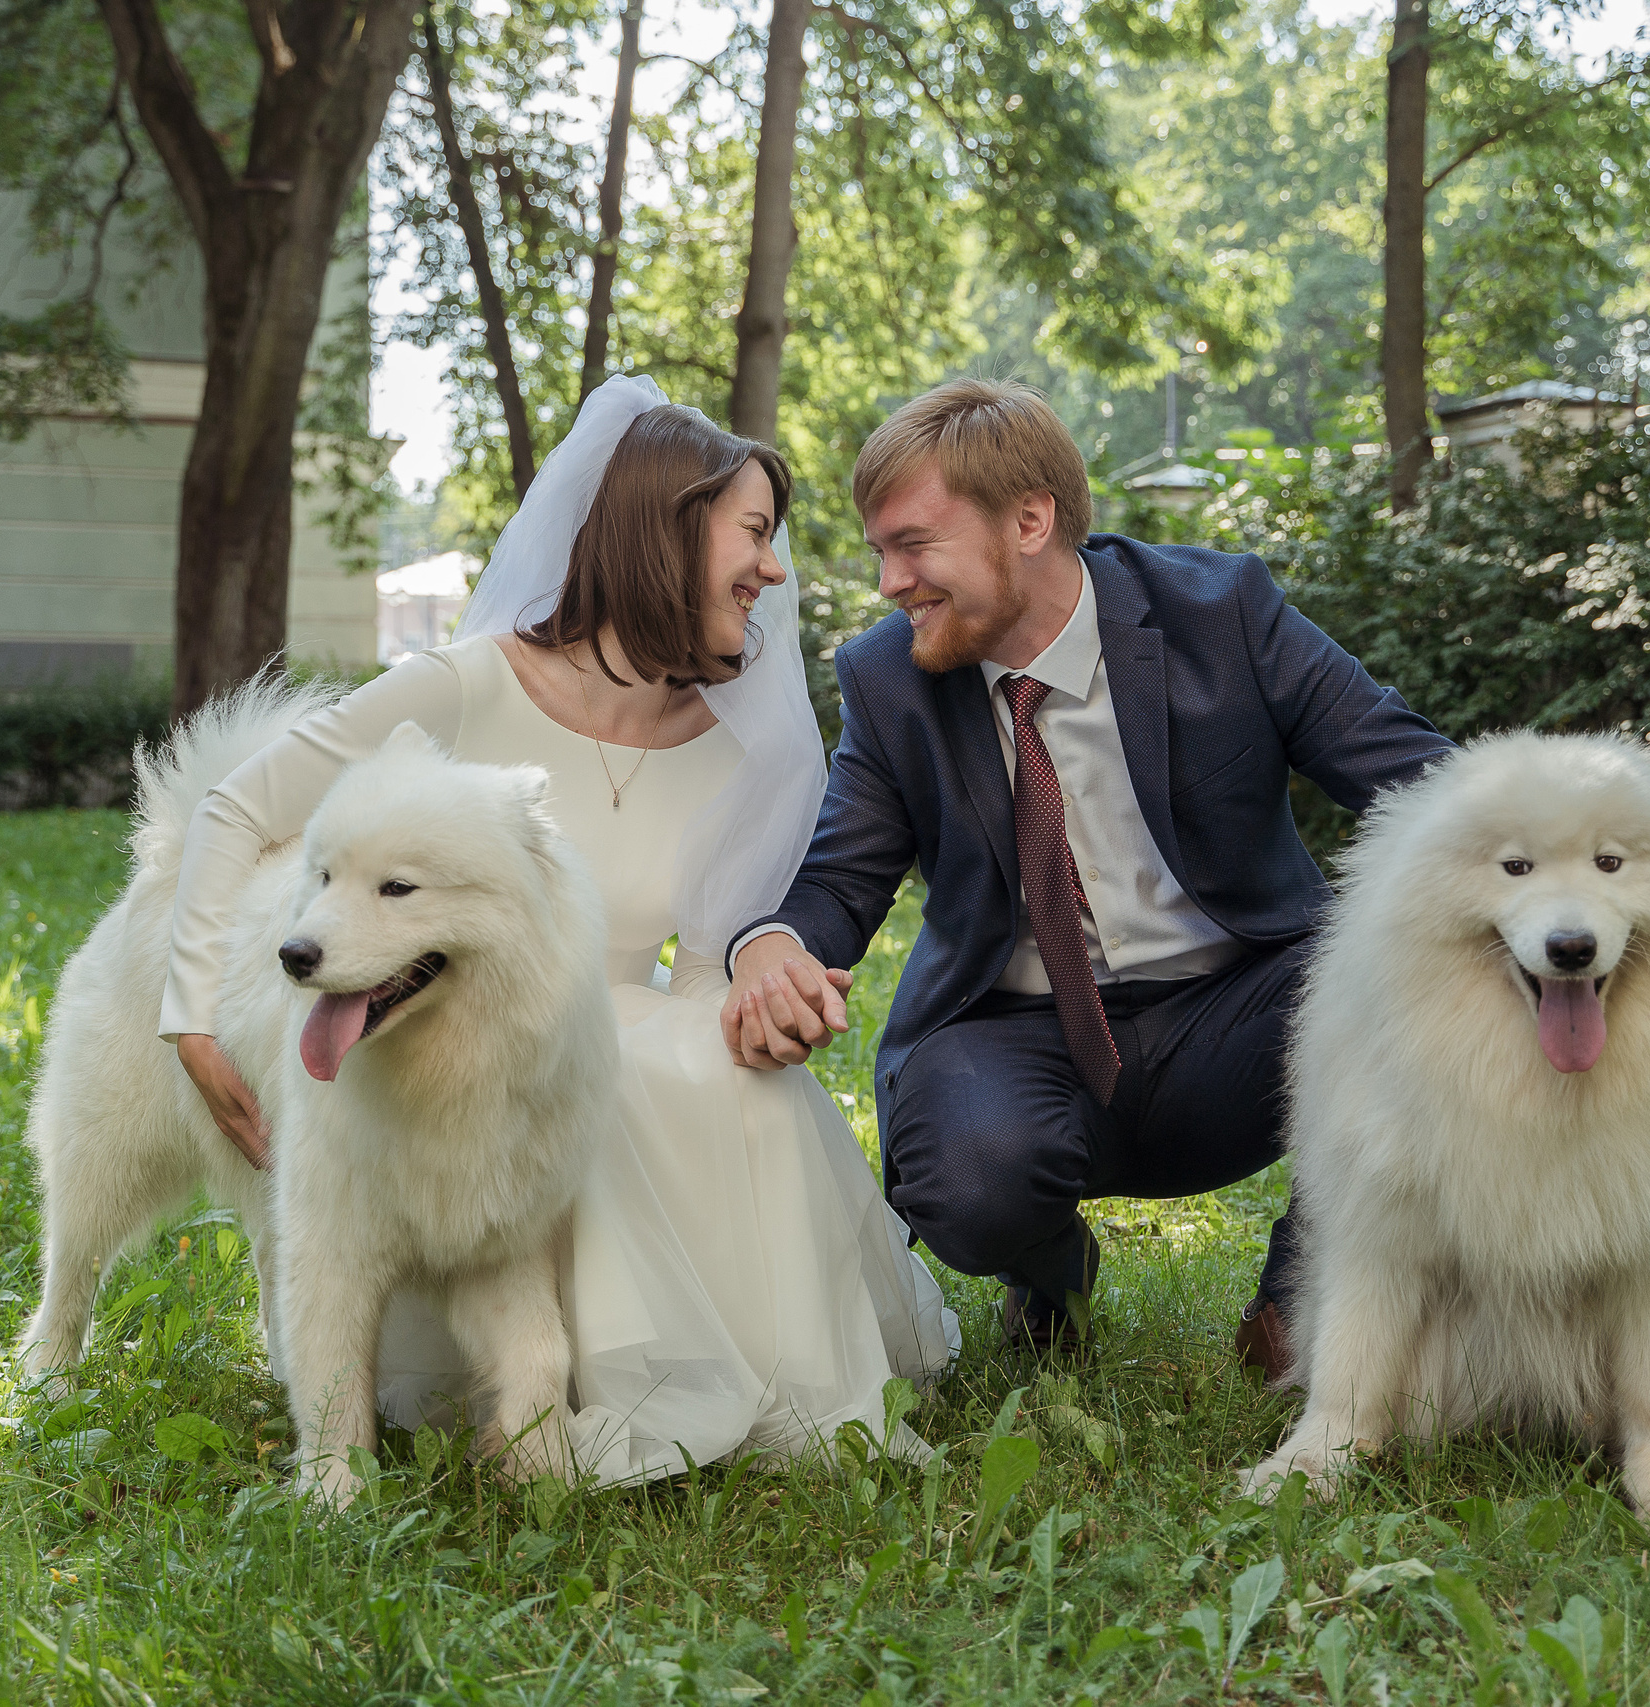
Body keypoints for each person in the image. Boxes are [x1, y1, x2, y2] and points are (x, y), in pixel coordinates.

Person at [161, 377, 958, 1484]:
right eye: (755, 533)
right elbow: (235, 808)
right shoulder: (464, 686)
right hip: (463, 1058)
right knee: (595, 1059)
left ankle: (731, 1377)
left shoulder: (739, 746)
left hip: (606, 1041)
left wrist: (760, 987)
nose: (774, 569)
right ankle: (550, 1386)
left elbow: (717, 956)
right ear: (667, 531)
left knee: (717, 1075)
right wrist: (190, 1014)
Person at [720, 378, 1454, 1369]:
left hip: (1245, 1016)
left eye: (913, 545)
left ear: (1029, 520)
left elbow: (1425, 786)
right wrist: (772, 946)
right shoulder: (889, 680)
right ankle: (1050, 1272)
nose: (890, 583)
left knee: (1430, 980)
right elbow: (838, 882)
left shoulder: (1222, 612)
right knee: (968, 1186)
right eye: (877, 550)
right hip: (1015, 1030)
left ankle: (1296, 1296)